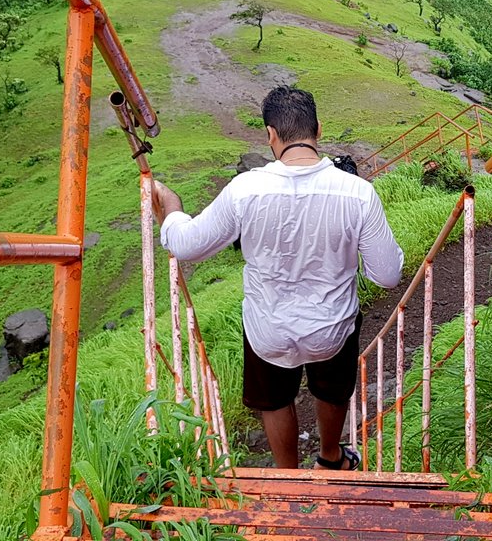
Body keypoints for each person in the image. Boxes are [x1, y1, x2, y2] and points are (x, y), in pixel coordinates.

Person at [152, 86, 403, 470]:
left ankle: (287, 476)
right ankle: (331, 458)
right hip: (331, 329)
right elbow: (387, 275)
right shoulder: (358, 194)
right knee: (332, 391)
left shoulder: (245, 190)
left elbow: (185, 246)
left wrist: (171, 207)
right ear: (318, 129)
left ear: (270, 135)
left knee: (275, 400)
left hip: (268, 330)